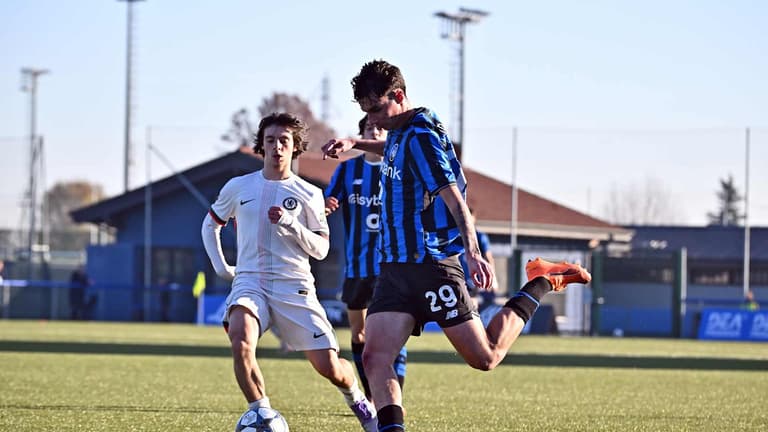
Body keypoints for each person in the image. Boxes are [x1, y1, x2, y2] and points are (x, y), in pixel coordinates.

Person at [322, 59, 592, 431]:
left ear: (399, 96)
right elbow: (392, 151)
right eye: (368, 113)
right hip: (395, 269)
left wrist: (473, 252)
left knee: (486, 357)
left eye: (378, 110)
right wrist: (354, 142)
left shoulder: (423, 137)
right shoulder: (399, 131)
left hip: (432, 267)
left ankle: (543, 280)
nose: (376, 120)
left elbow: (455, 201)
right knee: (374, 357)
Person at [201, 112, 377, 432]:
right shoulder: (239, 186)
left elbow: (321, 249)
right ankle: (261, 414)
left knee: (329, 367)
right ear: (261, 145)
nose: (277, 147)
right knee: (240, 338)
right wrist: (223, 267)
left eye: (284, 141)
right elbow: (210, 224)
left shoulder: (309, 194)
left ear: (295, 147)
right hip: (250, 281)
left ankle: (360, 401)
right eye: (270, 140)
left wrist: (290, 223)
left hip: (294, 286)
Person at [325, 115, 407, 399]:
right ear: (361, 135)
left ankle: (396, 393)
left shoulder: (397, 168)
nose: (375, 131)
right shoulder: (347, 170)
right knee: (358, 334)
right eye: (370, 128)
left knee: (393, 333)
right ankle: (372, 395)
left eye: (380, 128)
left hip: (391, 266)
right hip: (356, 266)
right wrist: (327, 205)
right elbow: (327, 202)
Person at [459, 207, 498, 310]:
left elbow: (488, 257)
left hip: (475, 279)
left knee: (474, 304)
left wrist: (493, 278)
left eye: (469, 218)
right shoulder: (455, 235)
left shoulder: (479, 236)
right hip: (459, 275)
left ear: (474, 219)